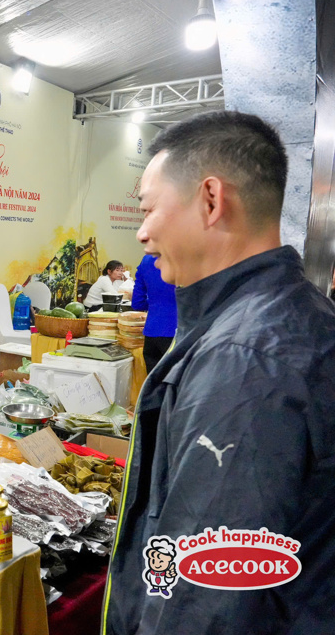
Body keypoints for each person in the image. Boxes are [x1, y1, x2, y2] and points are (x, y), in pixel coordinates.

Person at [102, 111, 335, 634]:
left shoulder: (245, 360)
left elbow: (207, 597)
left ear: (211, 199)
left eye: (148, 208)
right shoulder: (300, 315)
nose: (141, 233)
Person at [130, 253, 176, 373]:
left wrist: (156, 304)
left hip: (151, 333)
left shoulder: (146, 260)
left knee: (154, 385)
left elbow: (137, 303)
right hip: (178, 332)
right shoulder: (186, 258)